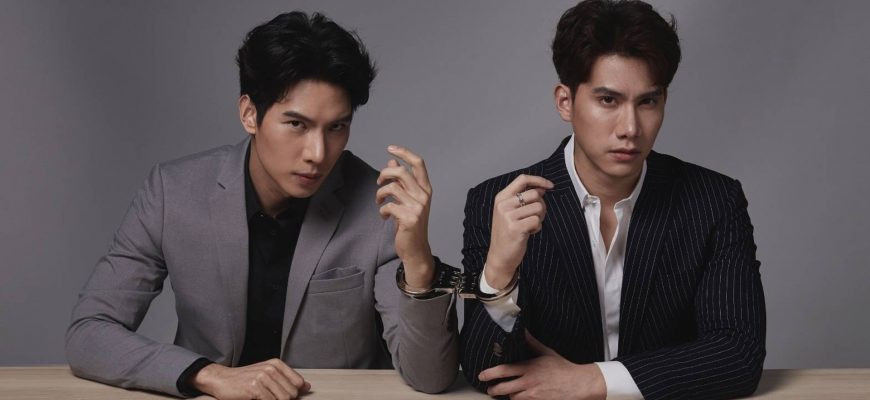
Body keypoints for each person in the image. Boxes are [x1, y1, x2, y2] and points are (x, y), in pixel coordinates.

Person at [66, 11, 457, 399]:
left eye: (336, 127)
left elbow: (431, 377)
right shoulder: (173, 193)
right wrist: (208, 375)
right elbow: (89, 332)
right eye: (297, 124)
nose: (318, 153)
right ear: (249, 114)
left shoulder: (380, 206)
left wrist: (419, 263)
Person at [458, 1, 766, 399]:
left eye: (647, 102)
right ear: (565, 101)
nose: (630, 128)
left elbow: (738, 356)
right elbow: (485, 371)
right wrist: (499, 272)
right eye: (608, 100)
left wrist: (593, 381)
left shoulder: (714, 202)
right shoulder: (496, 203)